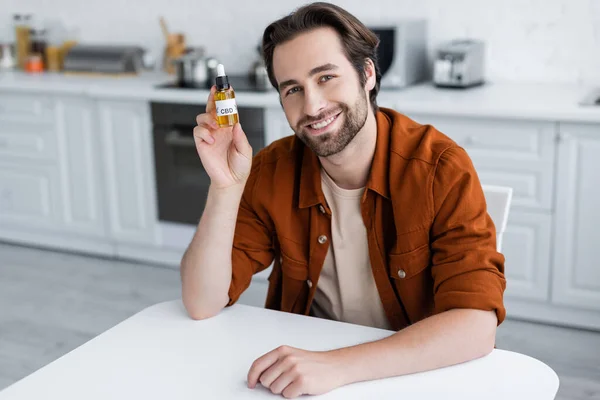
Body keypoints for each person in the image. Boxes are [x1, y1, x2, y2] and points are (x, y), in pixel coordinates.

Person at [181, 2, 506, 398]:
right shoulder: (270, 170)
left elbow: (475, 325)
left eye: (327, 77)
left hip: (407, 375)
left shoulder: (440, 168)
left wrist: (338, 366)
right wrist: (225, 187)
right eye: (294, 89)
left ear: (367, 74)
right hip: (304, 375)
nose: (313, 106)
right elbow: (201, 301)